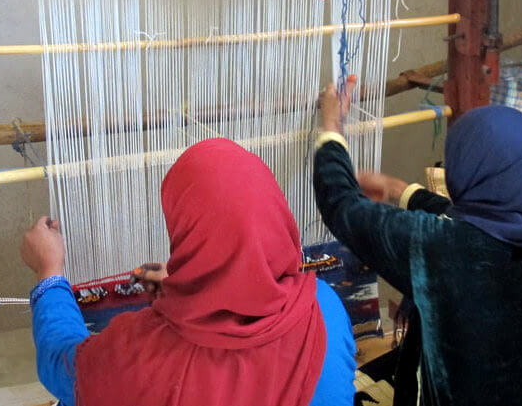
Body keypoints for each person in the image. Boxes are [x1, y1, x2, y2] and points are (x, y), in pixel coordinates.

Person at [21, 138, 356, 406]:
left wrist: (49, 272)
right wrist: (194, 284)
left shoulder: (136, 358)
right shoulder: (324, 308)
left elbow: (61, 364)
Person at [314, 76, 522, 406]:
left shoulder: (438, 249)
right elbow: (480, 222)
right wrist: (400, 191)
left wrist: (331, 125)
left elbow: (341, 205)